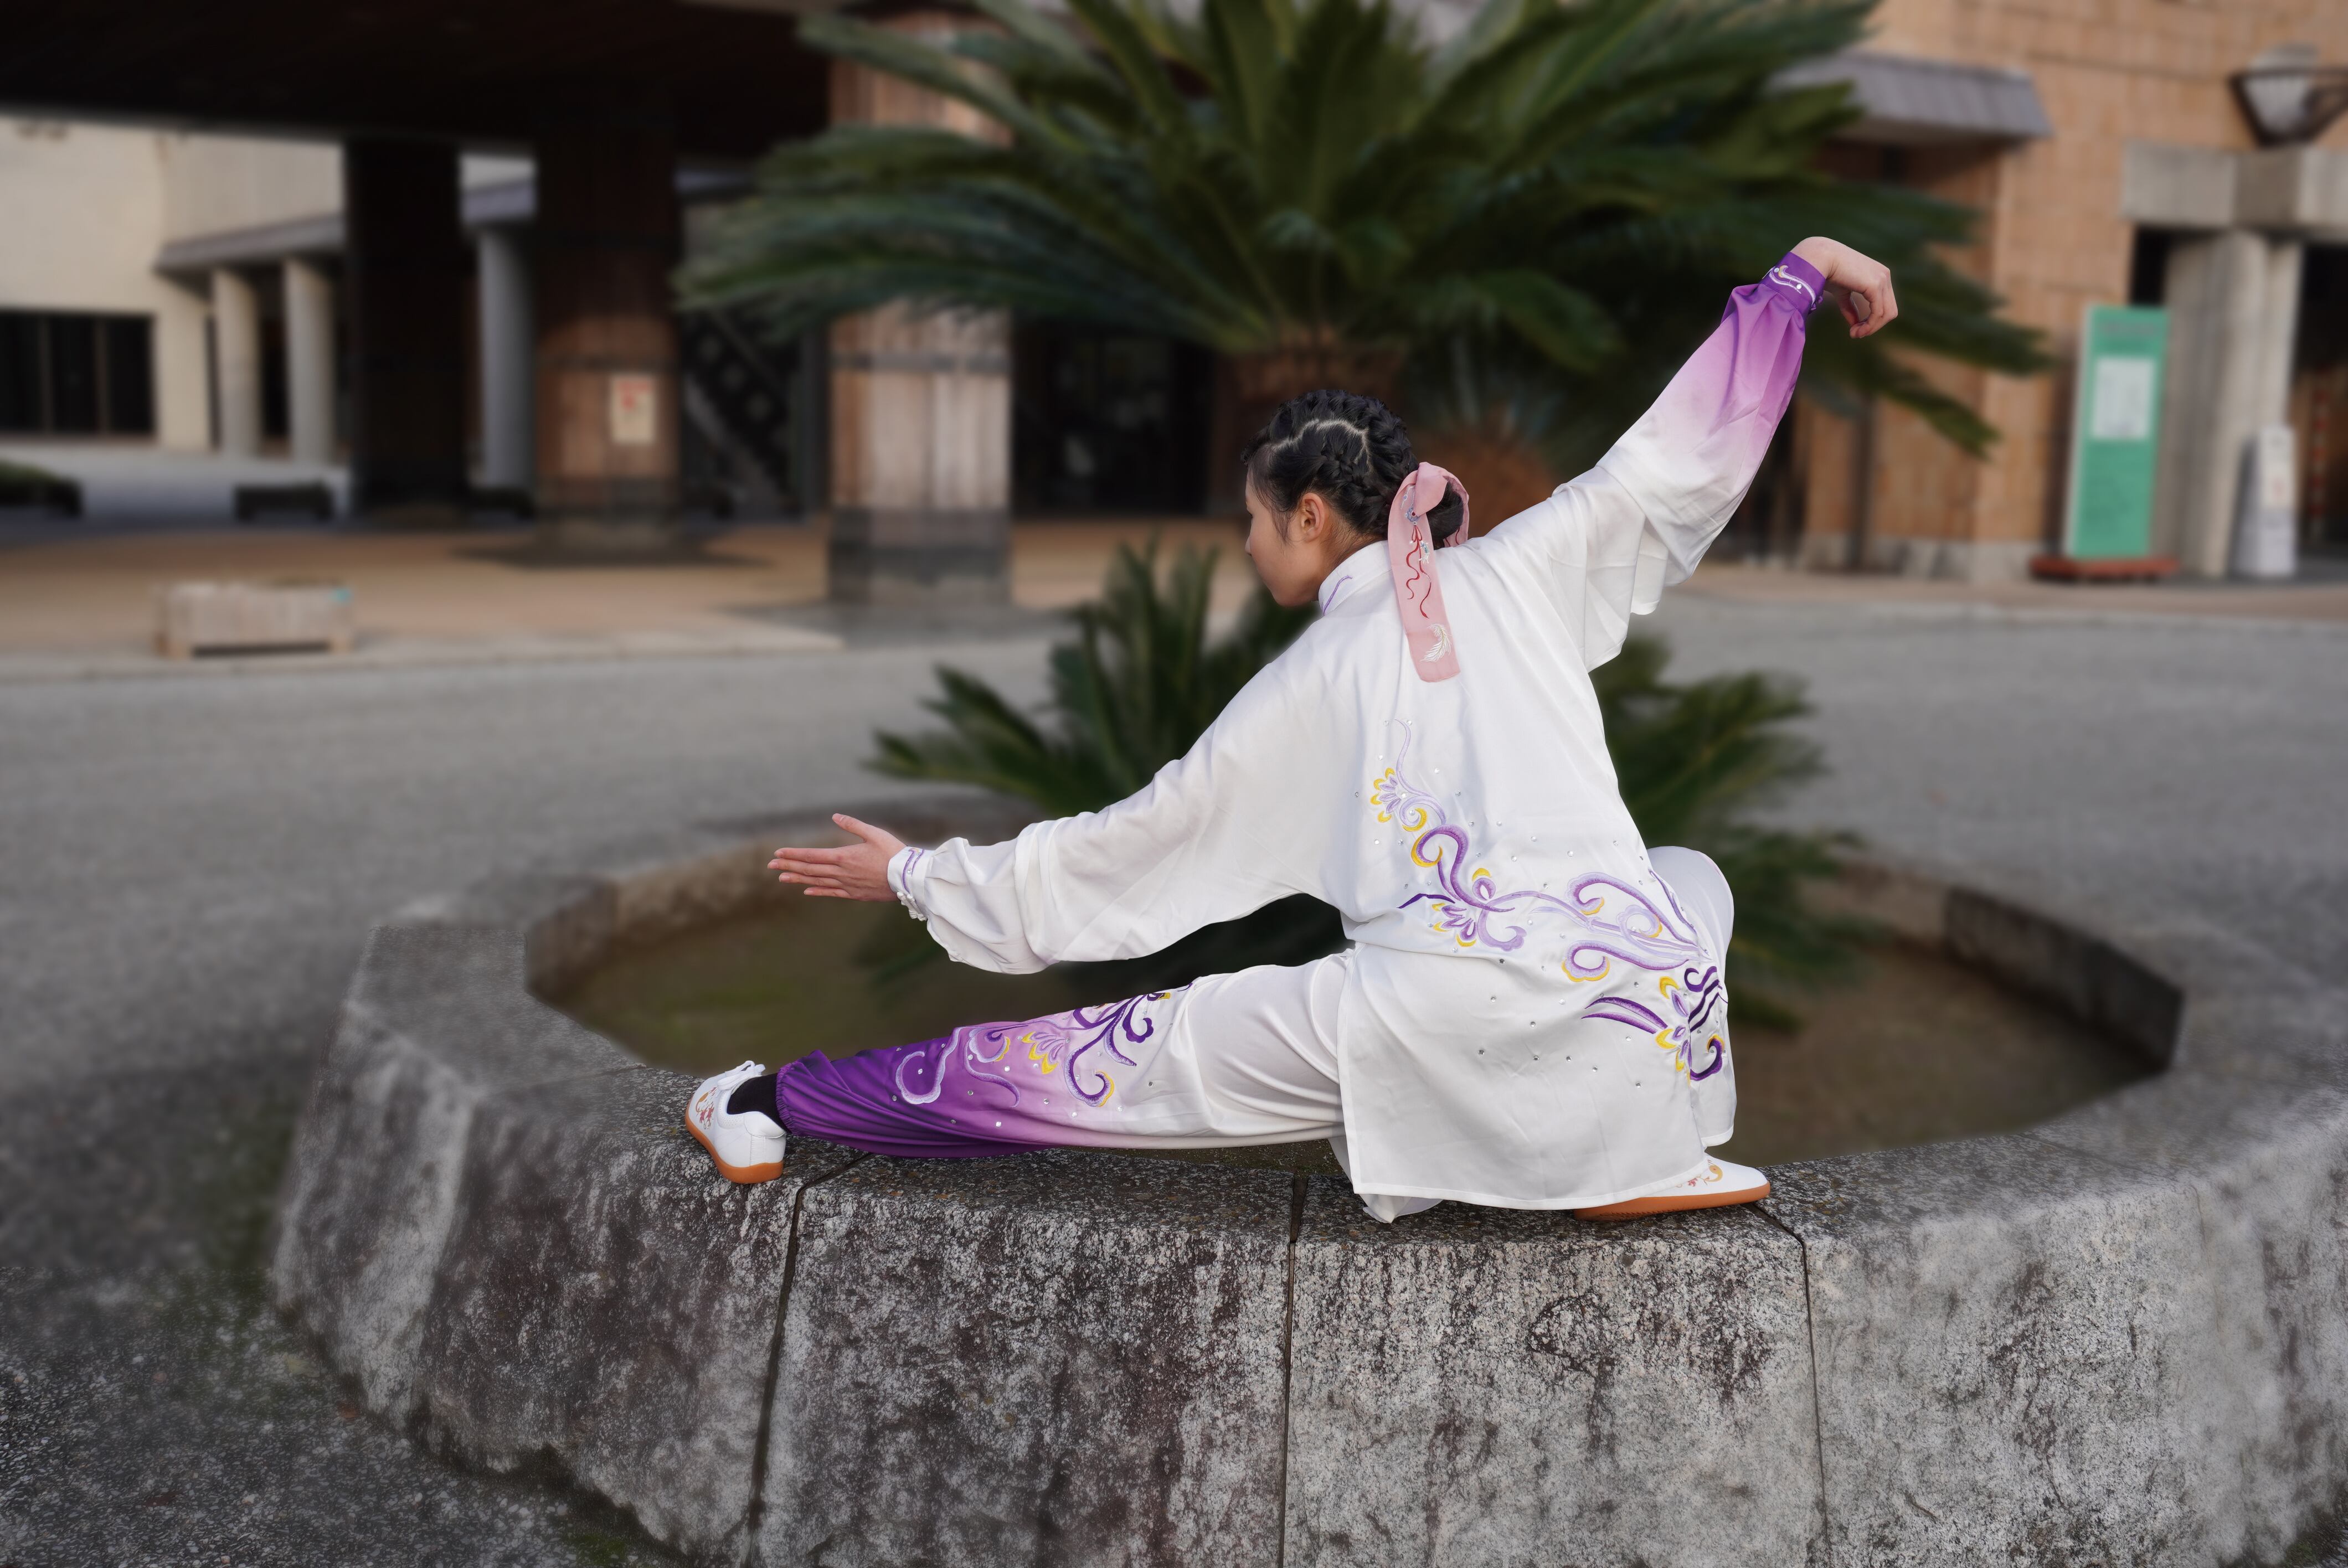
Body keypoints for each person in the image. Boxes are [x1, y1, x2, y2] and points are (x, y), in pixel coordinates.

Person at [686, 238, 1896, 1221]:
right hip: (1641, 1005)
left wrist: (914, 874)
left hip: (1438, 1021)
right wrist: (1790, 282)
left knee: (1105, 1064)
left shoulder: (1313, 677)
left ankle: (770, 1103)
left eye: (1255, 521)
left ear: (1310, 516)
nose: (1248, 543)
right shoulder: (1527, 563)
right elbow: (1676, 456)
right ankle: (1629, 1144)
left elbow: (1130, 848)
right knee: (1687, 879)